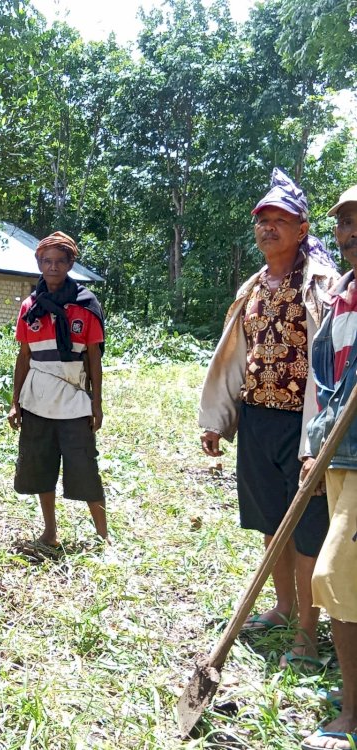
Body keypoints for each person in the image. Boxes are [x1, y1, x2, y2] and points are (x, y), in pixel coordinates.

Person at [199, 168, 338, 669]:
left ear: (302, 230)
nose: (268, 228)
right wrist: (217, 417)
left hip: (305, 426)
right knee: (269, 522)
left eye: (281, 220)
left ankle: (307, 631)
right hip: (257, 420)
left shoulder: (321, 284)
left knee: (305, 529)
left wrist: (316, 442)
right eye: (262, 220)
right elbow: (236, 357)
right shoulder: (254, 287)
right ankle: (282, 608)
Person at [299, 185, 357, 750]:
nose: (352, 232)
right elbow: (329, 383)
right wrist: (315, 448)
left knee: (334, 578)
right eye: (344, 224)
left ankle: (353, 712)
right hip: (341, 453)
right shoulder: (343, 294)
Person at [7, 231, 107, 546]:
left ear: (69, 264)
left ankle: (104, 537)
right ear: (39, 263)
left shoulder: (86, 305)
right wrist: (15, 402)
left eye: (59, 262)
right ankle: (50, 532)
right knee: (41, 466)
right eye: (46, 261)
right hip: (36, 400)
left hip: (74, 398)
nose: (52, 267)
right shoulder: (30, 307)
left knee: (85, 466)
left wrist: (97, 403)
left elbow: (93, 358)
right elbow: (24, 358)